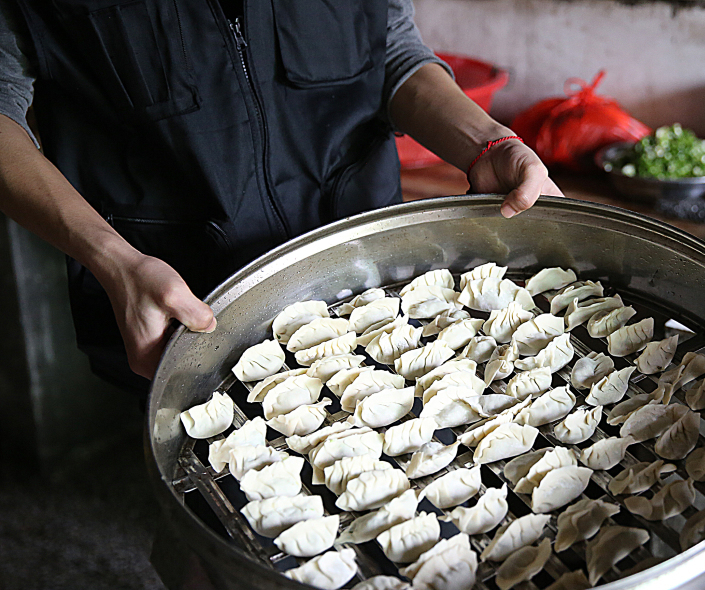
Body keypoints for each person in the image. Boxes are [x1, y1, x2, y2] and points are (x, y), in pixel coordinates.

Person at [0, 0, 561, 393]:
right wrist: (112, 260)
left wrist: (485, 144)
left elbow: (390, 52)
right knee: (218, 519)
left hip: (372, 283)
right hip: (181, 297)